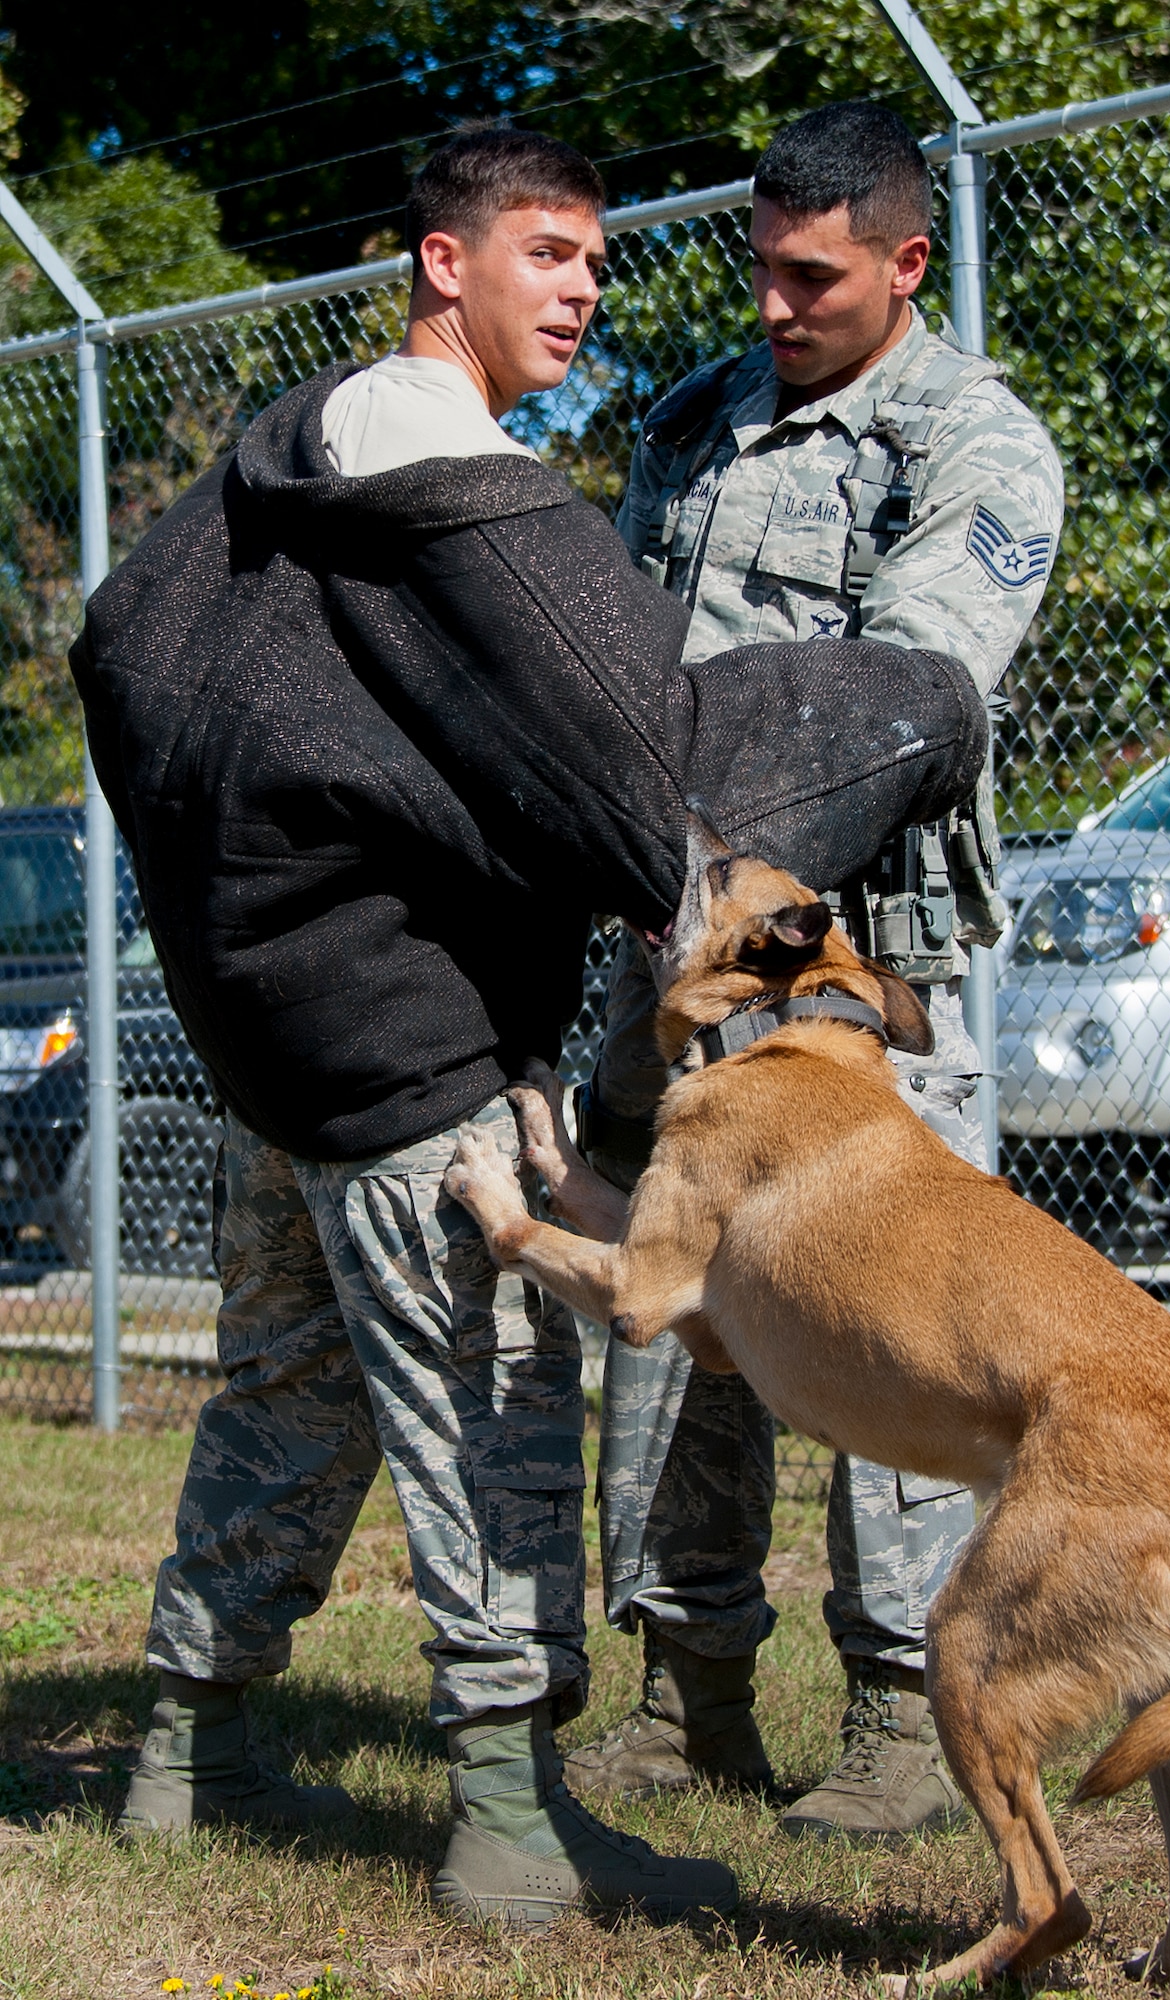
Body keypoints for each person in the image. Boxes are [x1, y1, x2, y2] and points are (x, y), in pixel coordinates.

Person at [72, 122, 986, 1928]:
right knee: (489, 1404)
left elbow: (121, 650)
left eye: (594, 258)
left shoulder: (269, 476)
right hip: (411, 1061)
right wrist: (916, 709)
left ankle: (190, 1744)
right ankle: (510, 1825)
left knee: (287, 1391)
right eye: (548, 254)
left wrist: (265, 894)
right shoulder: (440, 467)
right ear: (443, 264)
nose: (583, 290)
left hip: (277, 1046)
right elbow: (655, 745)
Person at [564, 101, 1065, 1846]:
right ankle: (683, 1690)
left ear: (903, 260)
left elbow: (900, 706)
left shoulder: (971, 444)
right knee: (683, 1317)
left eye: (812, 275)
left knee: (881, 1334)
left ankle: (896, 1719)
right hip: (682, 958)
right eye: (759, 268)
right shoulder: (696, 420)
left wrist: (730, 888)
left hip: (859, 972)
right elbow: (620, 671)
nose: (774, 304)